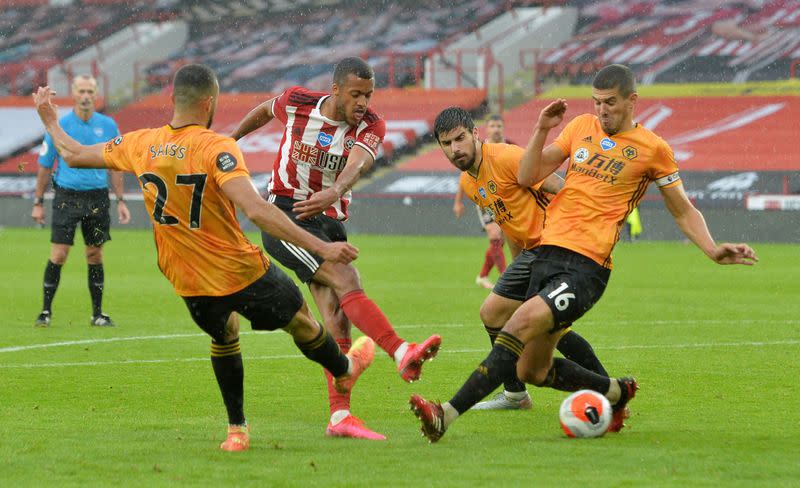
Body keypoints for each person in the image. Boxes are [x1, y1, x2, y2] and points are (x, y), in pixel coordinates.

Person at [32, 64, 377, 452]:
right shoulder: (216, 147)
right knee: (303, 323)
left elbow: (72, 154)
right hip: (241, 270)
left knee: (224, 336)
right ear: (210, 103)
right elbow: (258, 210)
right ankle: (344, 369)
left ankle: (237, 430)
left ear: (173, 99)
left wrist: (49, 118)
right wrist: (321, 247)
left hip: (188, 279)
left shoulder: (140, 143)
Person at [411, 64, 758, 442]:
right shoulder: (579, 128)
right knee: (532, 370)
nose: (601, 110)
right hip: (546, 254)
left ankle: (444, 413)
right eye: (596, 102)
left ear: (631, 101)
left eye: (609, 103)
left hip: (586, 265)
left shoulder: (654, 149)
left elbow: (681, 208)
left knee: (515, 323)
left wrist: (711, 248)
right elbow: (529, 176)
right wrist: (542, 129)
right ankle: (616, 392)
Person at [230, 56, 441, 440]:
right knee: (347, 278)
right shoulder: (298, 102)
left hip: (329, 221)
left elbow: (359, 162)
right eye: (357, 94)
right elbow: (263, 110)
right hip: (286, 217)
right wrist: (229, 142)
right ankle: (400, 351)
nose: (363, 102)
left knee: (336, 317)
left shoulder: (371, 124)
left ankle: (339, 417)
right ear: (337, 89)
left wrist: (336, 189)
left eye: (369, 94)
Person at [435, 107, 610, 411]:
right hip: (530, 254)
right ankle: (517, 394)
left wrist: (577, 236)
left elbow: (562, 188)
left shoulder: (505, 157)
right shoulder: (468, 182)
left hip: (555, 247)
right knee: (498, 315)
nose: (456, 149)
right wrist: (517, 268)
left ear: (475, 134)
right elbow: (509, 222)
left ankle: (608, 391)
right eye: (447, 144)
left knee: (544, 328)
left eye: (460, 139)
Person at [31, 75, 131, 328]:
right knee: (60, 253)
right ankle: (45, 311)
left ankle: (97, 313)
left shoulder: (108, 126)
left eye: (90, 91)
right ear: (73, 94)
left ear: (96, 95)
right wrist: (38, 201)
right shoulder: (60, 124)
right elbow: (45, 166)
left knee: (95, 254)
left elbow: (116, 165)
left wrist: (120, 200)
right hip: (66, 196)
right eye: (81, 91)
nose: (86, 96)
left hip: (98, 197)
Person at [453, 114, 511, 289]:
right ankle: (506, 280)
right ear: (487, 129)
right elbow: (465, 174)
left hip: (504, 198)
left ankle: (483, 276)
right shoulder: (479, 148)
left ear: (503, 128)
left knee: (500, 240)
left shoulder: (510, 147)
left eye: (499, 126)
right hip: (484, 197)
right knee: (494, 235)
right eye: (492, 126)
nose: (496, 129)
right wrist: (458, 201)